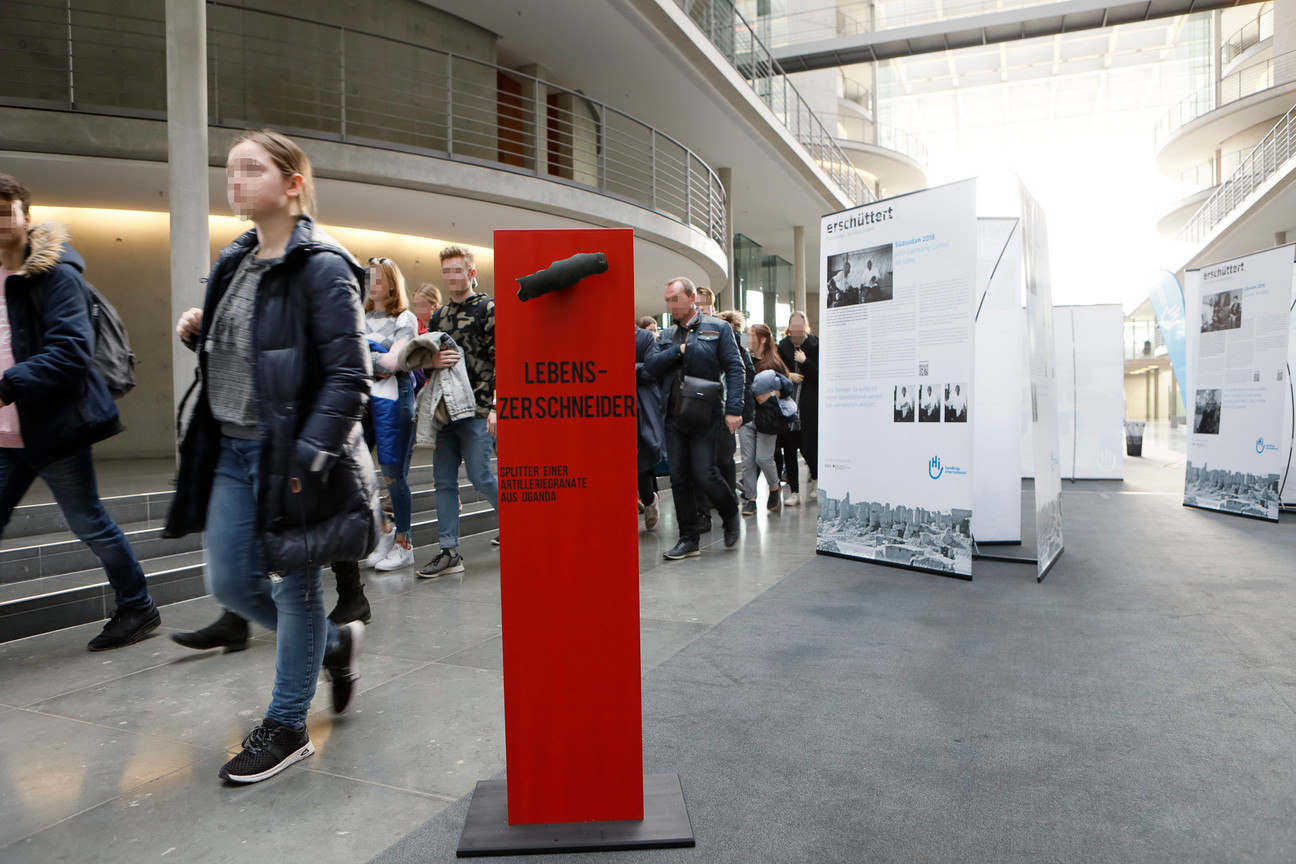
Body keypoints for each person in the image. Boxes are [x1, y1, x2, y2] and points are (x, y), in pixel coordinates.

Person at [165, 130, 377, 784]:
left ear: (293, 183)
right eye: (230, 171)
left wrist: (310, 456)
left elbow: (350, 376)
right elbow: (260, 339)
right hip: (229, 444)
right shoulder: (238, 256)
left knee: (296, 588)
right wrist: (202, 327)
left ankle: (287, 727)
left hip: (289, 455)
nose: (235, 181)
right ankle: (334, 646)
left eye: (251, 169)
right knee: (229, 583)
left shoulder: (323, 264)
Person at [0, 173, 159, 652]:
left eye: (6, 211)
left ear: (27, 216)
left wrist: (7, 385)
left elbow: (71, 351)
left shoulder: (56, 274)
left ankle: (138, 605)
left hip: (53, 427)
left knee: (88, 520)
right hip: (6, 433)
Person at [643, 277, 744, 558]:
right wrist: (678, 350)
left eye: (674, 299)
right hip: (673, 415)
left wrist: (734, 409)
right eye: (667, 300)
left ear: (690, 298)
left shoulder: (719, 328)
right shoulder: (665, 336)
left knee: (705, 473)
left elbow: (735, 370)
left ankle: (730, 512)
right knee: (679, 477)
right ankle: (689, 538)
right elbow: (650, 366)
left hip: (705, 413)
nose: (670, 305)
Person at [416, 245, 500, 578]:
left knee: (480, 476)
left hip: (479, 408)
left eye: (457, 271)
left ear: (471, 273)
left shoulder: (489, 308)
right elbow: (428, 363)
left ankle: (522, 527)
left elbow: (502, 360)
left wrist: (497, 406)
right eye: (446, 272)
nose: (452, 277)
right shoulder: (439, 316)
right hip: (447, 411)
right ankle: (449, 551)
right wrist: (431, 361)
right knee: (443, 482)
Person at [361, 256, 418, 572]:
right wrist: (374, 358)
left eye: (379, 278)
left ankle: (403, 543)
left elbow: (394, 363)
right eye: (369, 278)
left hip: (395, 401)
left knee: (393, 475)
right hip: (363, 400)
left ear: (392, 283)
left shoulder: (405, 318)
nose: (374, 285)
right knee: (353, 470)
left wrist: (364, 357)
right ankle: (383, 530)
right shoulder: (360, 316)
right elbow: (344, 355)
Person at [776, 311, 819, 503]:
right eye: (793, 325)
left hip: (808, 404)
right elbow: (775, 372)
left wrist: (805, 362)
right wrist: (788, 376)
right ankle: (794, 491)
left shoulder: (815, 345)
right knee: (790, 449)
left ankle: (816, 480)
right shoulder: (783, 347)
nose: (797, 328)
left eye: (800, 324)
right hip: (787, 405)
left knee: (809, 446)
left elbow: (820, 376)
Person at [635, 323, 666, 530]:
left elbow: (652, 369)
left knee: (640, 457)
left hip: (641, 406)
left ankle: (648, 500)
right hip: (612, 407)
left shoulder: (645, 338)